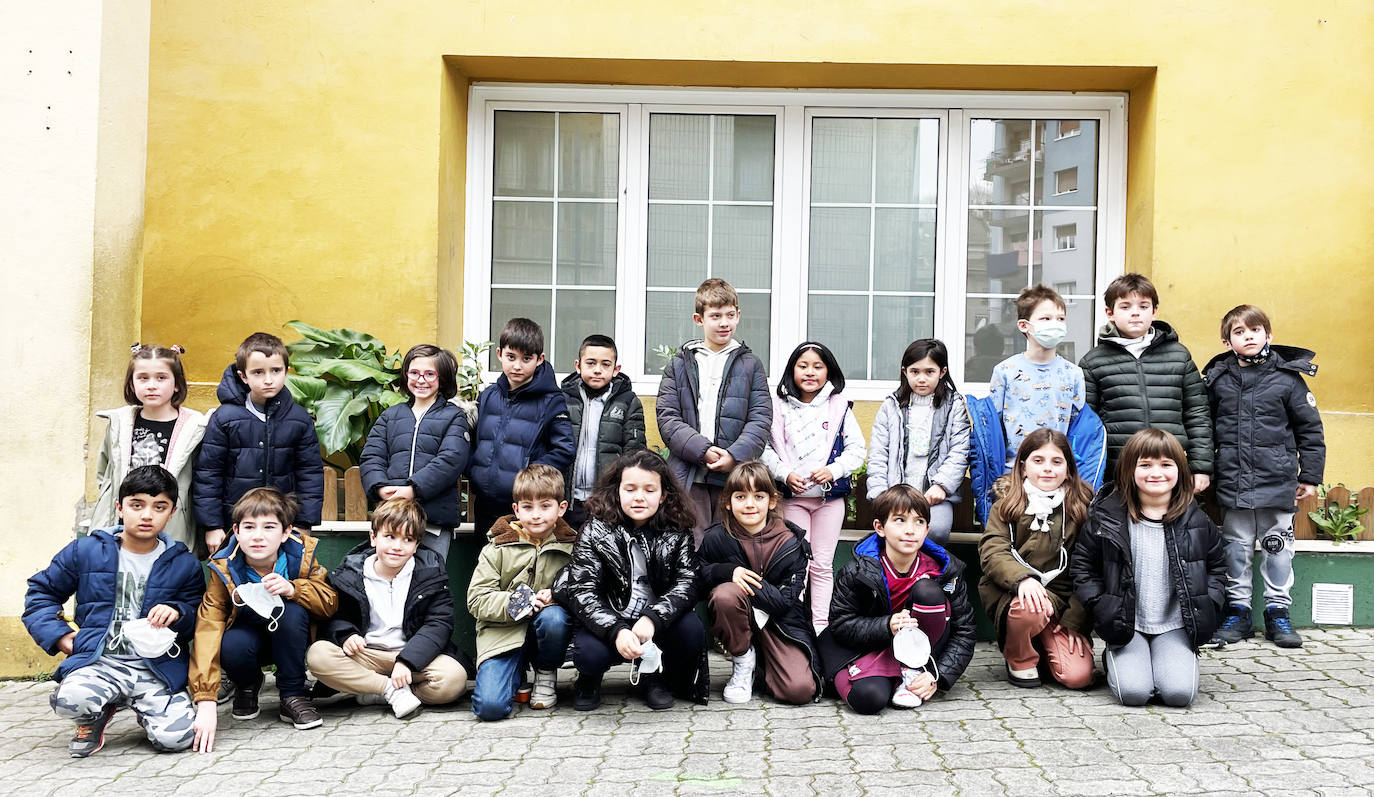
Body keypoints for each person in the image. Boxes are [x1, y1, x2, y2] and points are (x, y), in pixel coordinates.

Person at [24, 466, 205, 757]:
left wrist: (177, 612)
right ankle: (94, 714)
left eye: (159, 507)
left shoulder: (184, 564)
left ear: (171, 513)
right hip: (101, 663)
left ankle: (144, 708)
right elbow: (41, 592)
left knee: (176, 740)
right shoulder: (85, 551)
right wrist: (59, 636)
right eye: (137, 505)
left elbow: (197, 613)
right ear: (120, 508)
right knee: (70, 700)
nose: (147, 515)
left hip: (155, 667)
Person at [1071, 429, 1225, 707]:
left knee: (1180, 695)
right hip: (1127, 624)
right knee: (1134, 693)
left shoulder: (1198, 521)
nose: (1156, 473)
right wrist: (1102, 605)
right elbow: (1083, 567)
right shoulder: (1107, 518)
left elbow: (1217, 568)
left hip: (1175, 625)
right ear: (1130, 469)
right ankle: (1116, 656)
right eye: (1145, 465)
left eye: (1166, 465)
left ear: (1180, 470)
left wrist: (1209, 603)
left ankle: (1165, 657)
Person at [1204, 304, 1325, 649]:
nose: (1248, 337)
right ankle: (1238, 612)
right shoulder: (1218, 380)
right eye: (1239, 333)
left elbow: (1310, 431)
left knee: (1277, 549)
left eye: (1255, 330)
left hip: (1278, 480)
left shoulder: (1288, 379)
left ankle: (1277, 613)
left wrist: (1311, 476)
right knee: (1236, 549)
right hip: (1233, 481)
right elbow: (1206, 427)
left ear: (1268, 335)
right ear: (1227, 342)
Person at [553, 450, 707, 711]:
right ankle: (589, 679)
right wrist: (616, 629)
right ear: (617, 491)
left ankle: (653, 676)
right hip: (609, 617)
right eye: (630, 488)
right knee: (590, 654)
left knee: (692, 630)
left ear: (663, 495)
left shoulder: (677, 529)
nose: (639, 497)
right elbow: (582, 589)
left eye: (649, 490)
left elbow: (688, 581)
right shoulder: (595, 528)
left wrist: (653, 618)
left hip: (653, 619)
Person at [189, 488, 338, 752]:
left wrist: (294, 589)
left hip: (290, 640)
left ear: (285, 533)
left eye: (269, 527)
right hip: (249, 642)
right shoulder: (224, 567)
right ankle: (247, 684)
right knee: (229, 642)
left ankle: (292, 694)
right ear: (236, 531)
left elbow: (329, 603)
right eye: (249, 527)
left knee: (292, 612)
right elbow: (208, 626)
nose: (258, 536)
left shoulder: (301, 557)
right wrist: (206, 700)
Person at [818, 485, 977, 715]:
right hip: (871, 647)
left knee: (929, 592)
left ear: (927, 529)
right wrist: (886, 625)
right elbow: (841, 624)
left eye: (919, 522)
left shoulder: (944, 571)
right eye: (900, 520)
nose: (910, 530)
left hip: (920, 654)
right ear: (880, 528)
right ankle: (886, 677)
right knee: (868, 699)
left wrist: (937, 675)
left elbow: (965, 630)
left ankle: (912, 673)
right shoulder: (856, 571)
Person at [307, 498, 469, 718]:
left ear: (416, 545)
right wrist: (346, 635)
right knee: (318, 655)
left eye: (407, 539)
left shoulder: (431, 573)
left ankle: (378, 690)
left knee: (453, 680)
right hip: (367, 655)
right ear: (373, 538)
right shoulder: (350, 573)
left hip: (412, 657)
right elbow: (336, 616)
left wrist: (407, 660)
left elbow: (438, 624)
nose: (397, 546)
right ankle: (389, 689)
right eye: (390, 536)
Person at [759, 341, 865, 631]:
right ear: (791, 370)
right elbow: (765, 449)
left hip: (828, 502)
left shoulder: (839, 406)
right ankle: (796, 623)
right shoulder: (778, 406)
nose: (810, 372)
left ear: (828, 371)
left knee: (821, 564)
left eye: (818, 366)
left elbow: (857, 450)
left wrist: (833, 470)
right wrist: (784, 473)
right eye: (803, 366)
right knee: (797, 564)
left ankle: (820, 625)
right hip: (793, 499)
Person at [656, 278, 771, 544]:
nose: (724, 323)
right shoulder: (680, 364)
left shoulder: (751, 365)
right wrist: (702, 450)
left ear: (738, 315)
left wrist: (733, 455)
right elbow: (668, 417)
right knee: (691, 545)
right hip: (690, 473)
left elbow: (761, 419)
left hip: (734, 478)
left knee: (730, 546)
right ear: (699, 319)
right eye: (715, 316)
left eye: (730, 315)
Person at [978, 429, 1096, 689]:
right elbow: (993, 549)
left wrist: (1075, 622)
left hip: (1063, 601)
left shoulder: (1082, 506)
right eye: (1038, 461)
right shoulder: (1007, 504)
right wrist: (1022, 580)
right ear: (1022, 467)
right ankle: (1020, 656)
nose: (1047, 469)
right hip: (1016, 595)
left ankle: (1046, 644)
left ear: (1069, 469)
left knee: (1077, 677)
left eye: (1057, 462)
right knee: (1031, 607)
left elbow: (1091, 566)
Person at [697, 461, 821, 705]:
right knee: (726, 595)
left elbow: (785, 602)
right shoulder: (716, 537)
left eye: (759, 496)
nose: (750, 504)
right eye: (741, 496)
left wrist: (749, 583)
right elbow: (696, 578)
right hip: (736, 622)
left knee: (799, 691)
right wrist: (728, 571)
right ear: (728, 503)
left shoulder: (791, 543)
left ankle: (764, 667)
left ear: (772, 501)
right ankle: (743, 662)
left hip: (780, 623)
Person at [1078, 273, 1213, 489]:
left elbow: (1197, 414)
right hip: (1118, 470)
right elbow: (1086, 425)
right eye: (1125, 307)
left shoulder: (1178, 355)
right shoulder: (1093, 362)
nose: (1135, 313)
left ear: (1154, 311)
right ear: (1109, 313)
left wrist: (1200, 467)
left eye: (1143, 306)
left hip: (1171, 468)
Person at [194, 332, 324, 554]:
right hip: (233, 524)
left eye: (276, 370)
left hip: (282, 525)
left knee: (278, 581)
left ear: (286, 371)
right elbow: (208, 473)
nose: (268, 379)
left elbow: (309, 473)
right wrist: (212, 525)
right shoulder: (225, 418)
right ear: (243, 376)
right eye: (258, 372)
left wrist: (304, 523)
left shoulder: (299, 419)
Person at [468, 465, 578, 720]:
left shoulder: (573, 547)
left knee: (554, 618)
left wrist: (556, 595)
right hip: (502, 633)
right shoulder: (496, 547)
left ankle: (546, 672)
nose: (536, 515)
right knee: (490, 708)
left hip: (547, 631)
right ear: (516, 510)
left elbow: (583, 589)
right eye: (527, 507)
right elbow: (476, 600)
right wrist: (522, 602)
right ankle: (515, 672)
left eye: (545, 506)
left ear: (561, 508)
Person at [359, 344, 472, 560]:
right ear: (406, 375)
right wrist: (380, 488)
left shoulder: (454, 417)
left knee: (429, 580)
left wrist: (413, 490)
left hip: (434, 522)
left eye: (430, 374)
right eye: (414, 373)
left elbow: (450, 460)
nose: (421, 380)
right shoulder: (390, 416)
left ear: (443, 378)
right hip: (394, 518)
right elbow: (372, 456)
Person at [92, 343, 208, 550]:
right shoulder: (119, 423)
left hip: (172, 527)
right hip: (121, 526)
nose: (151, 385)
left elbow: (200, 480)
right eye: (143, 378)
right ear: (132, 384)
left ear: (177, 384)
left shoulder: (195, 429)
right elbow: (104, 471)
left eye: (161, 378)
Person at [467, 317, 575, 536]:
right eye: (510, 357)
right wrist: (474, 469)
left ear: (539, 359)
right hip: (485, 504)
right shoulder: (488, 396)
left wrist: (528, 477)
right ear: (499, 354)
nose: (517, 365)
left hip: (525, 508)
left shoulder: (551, 400)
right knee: (487, 566)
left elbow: (564, 450)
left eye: (526, 358)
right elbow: (476, 440)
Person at [866, 338, 970, 547]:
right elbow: (879, 452)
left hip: (934, 495)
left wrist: (941, 485)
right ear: (905, 372)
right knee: (895, 535)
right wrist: (880, 493)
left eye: (929, 372)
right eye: (915, 372)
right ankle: (899, 578)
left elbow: (960, 450)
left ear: (942, 372)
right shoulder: (891, 405)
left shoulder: (954, 406)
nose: (921, 379)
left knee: (936, 532)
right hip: (896, 493)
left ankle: (930, 577)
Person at [987, 285, 1086, 469]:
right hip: (1014, 470)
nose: (1054, 324)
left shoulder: (1073, 373)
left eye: (1060, 319)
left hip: (1056, 471)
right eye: (1046, 318)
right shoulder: (1005, 371)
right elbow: (994, 425)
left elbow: (1077, 426)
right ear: (1024, 325)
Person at [560, 334, 646, 529]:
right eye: (591, 363)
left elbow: (635, 453)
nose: (598, 370)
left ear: (616, 369)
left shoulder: (628, 402)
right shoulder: (562, 400)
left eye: (605, 364)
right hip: (567, 500)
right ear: (578, 365)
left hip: (607, 501)